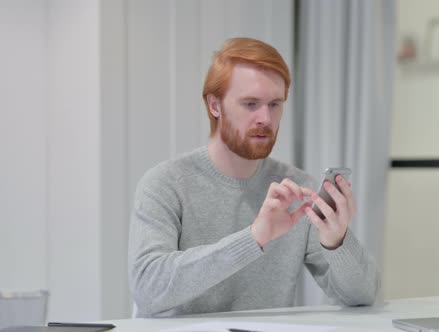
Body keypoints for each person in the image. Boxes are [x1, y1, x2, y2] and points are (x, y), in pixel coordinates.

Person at [128, 37, 379, 318]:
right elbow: (147, 288)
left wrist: (337, 242)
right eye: (250, 104)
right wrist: (254, 238)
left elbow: (363, 296)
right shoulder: (165, 184)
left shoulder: (297, 191)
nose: (265, 118)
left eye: (274, 104)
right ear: (215, 106)